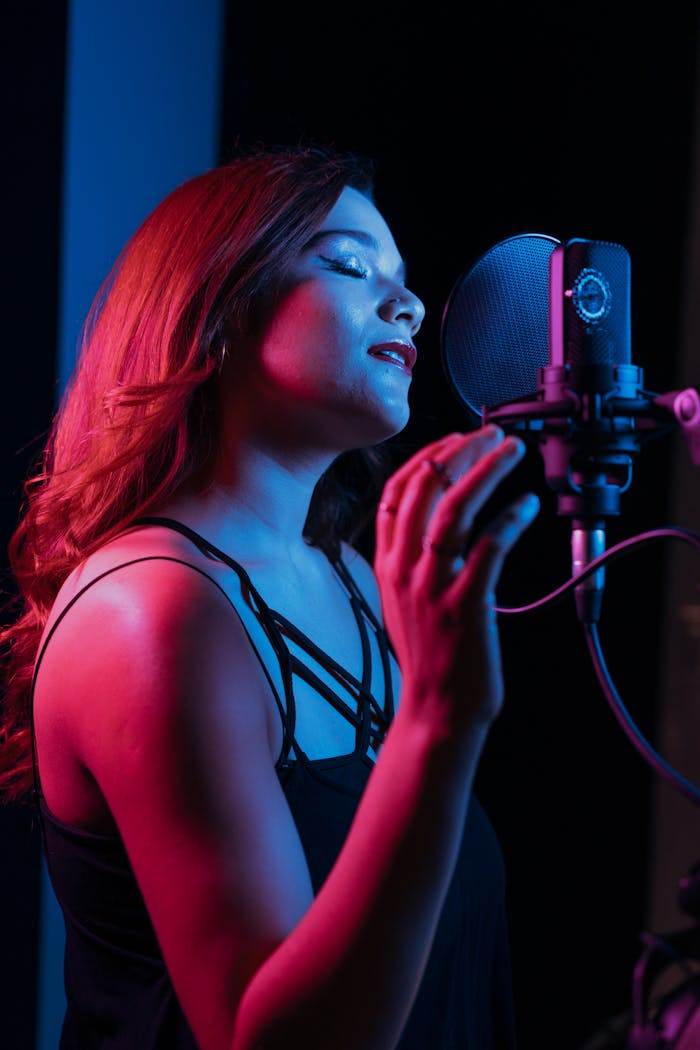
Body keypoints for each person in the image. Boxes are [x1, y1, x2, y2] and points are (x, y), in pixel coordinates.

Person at [0, 143, 539, 1050]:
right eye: (345, 264)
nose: (406, 303)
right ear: (217, 307)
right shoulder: (153, 616)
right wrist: (438, 725)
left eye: (403, 278)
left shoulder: (360, 586)